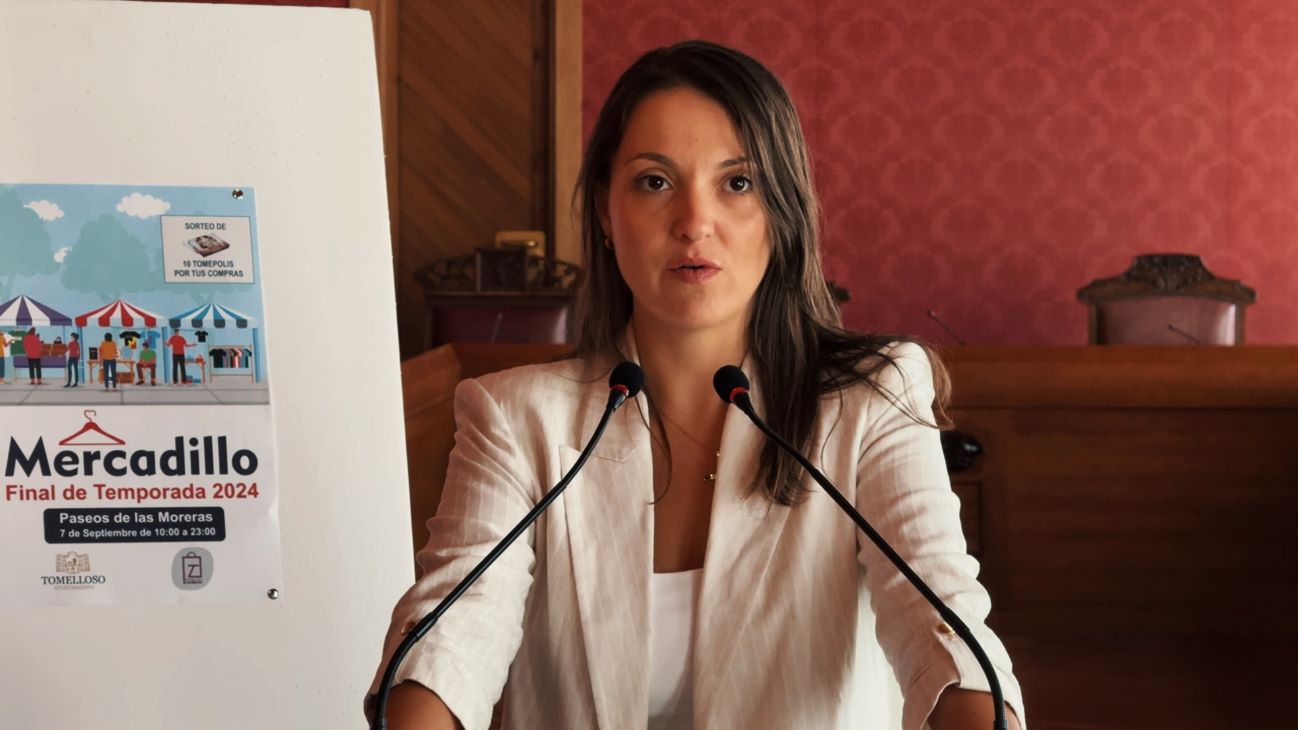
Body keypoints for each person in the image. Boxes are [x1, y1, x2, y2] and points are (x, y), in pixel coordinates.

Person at [369, 41, 1024, 730]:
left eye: (737, 183)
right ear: (604, 211)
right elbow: (449, 644)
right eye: (654, 182)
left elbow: (942, 627)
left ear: (782, 209)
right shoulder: (514, 416)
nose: (693, 223)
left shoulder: (873, 399)